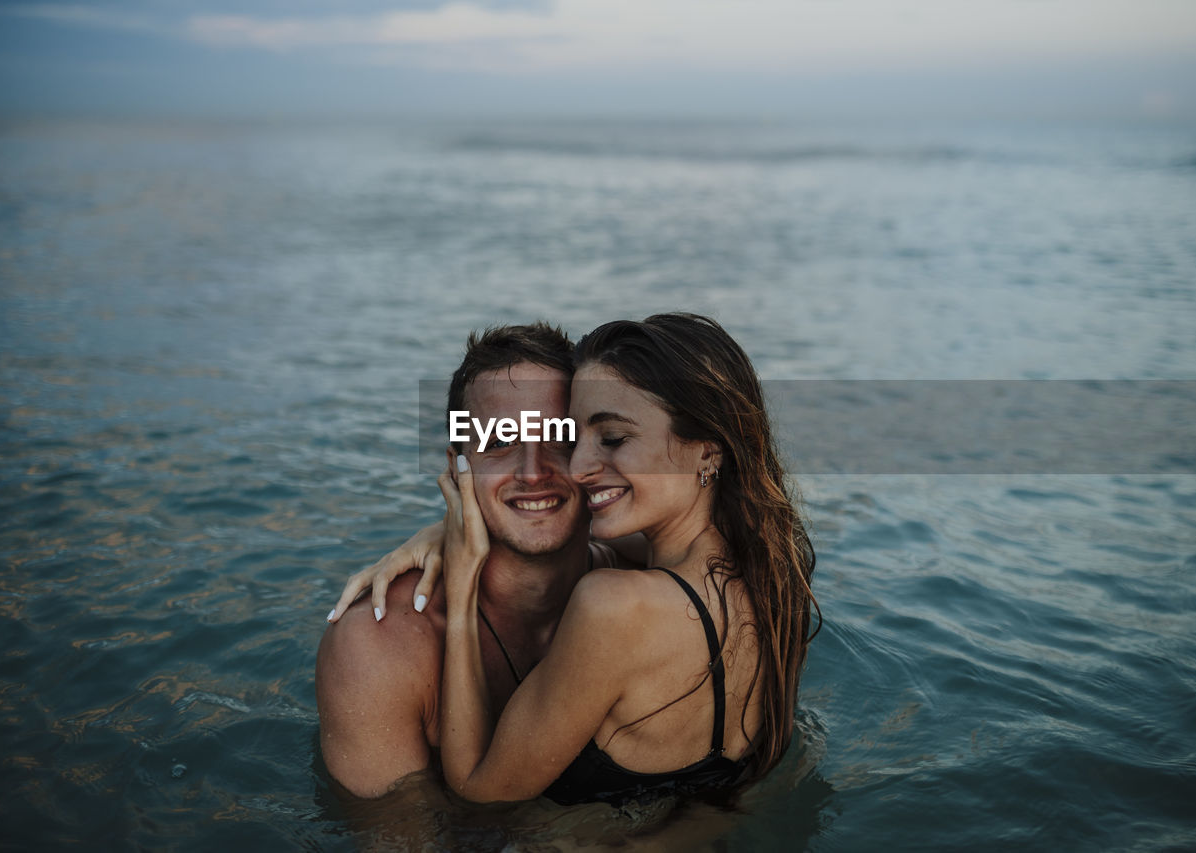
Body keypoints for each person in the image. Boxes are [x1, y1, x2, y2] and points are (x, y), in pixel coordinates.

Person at [435, 313, 819, 807]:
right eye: (573, 439)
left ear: (707, 450)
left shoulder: (614, 606)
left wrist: (461, 585)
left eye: (612, 438)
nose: (578, 467)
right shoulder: (771, 568)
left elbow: (477, 790)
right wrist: (452, 530)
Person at [315, 322, 626, 798]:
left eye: (558, 437)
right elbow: (402, 840)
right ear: (457, 466)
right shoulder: (375, 648)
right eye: (499, 442)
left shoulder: (645, 584)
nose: (532, 471)